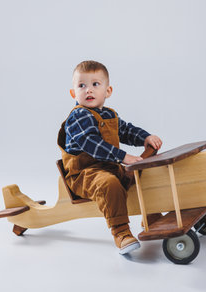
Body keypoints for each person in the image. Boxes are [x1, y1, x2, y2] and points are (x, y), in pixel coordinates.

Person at [57, 60, 162, 254]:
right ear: (73, 93)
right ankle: (121, 232)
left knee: (139, 175)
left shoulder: (109, 114)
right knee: (109, 184)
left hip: (109, 167)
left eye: (95, 84)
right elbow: (91, 144)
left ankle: (152, 215)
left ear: (108, 91)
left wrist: (145, 137)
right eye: (82, 86)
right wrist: (124, 157)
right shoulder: (78, 116)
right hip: (84, 175)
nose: (88, 90)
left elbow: (126, 130)